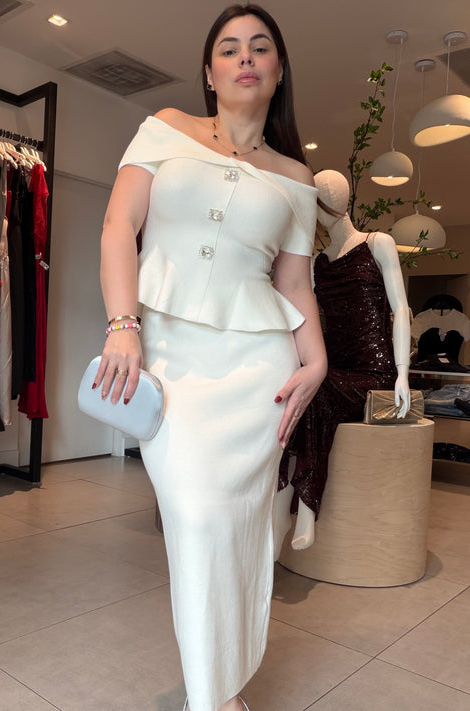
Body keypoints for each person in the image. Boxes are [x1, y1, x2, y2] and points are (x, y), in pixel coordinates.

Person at [94, 5, 327, 710]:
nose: (244, 57)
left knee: (236, 525)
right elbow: (119, 225)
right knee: (194, 516)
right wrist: (123, 323)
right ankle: (214, 691)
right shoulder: (164, 128)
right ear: (208, 71)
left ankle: (215, 694)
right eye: (229, 48)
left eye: (259, 47)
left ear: (278, 70)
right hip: (167, 358)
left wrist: (316, 362)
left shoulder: (296, 178)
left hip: (255, 368)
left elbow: (293, 284)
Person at [279, 169, 411, 552]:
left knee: (316, 393)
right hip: (334, 369)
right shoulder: (318, 263)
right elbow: (307, 322)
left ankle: (305, 509)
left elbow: (401, 309)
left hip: (374, 373)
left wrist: (403, 374)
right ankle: (278, 505)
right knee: (302, 388)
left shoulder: (377, 243)